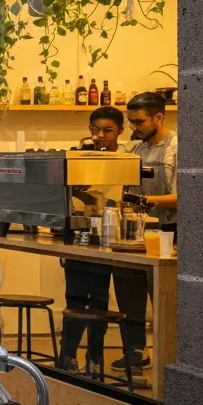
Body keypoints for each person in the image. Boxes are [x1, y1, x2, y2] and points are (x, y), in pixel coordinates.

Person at [58, 107, 128, 373]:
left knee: (99, 299)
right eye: (95, 130)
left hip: (109, 235)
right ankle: (67, 356)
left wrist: (91, 196)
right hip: (80, 233)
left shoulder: (126, 160)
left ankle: (95, 358)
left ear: (120, 131)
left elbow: (117, 199)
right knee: (74, 297)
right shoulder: (79, 158)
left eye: (107, 130)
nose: (100, 136)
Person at [113, 92, 178, 380]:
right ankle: (136, 353)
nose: (134, 128)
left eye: (139, 122)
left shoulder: (178, 147)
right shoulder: (135, 150)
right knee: (130, 294)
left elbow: (186, 195)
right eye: (131, 122)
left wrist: (151, 202)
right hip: (137, 230)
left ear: (159, 117)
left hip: (170, 231)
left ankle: (171, 358)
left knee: (164, 296)